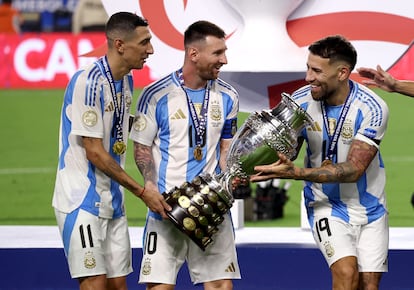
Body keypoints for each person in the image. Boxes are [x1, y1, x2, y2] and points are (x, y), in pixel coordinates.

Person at [250, 35, 389, 290]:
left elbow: (355, 170)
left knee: (369, 285)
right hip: (326, 204)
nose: (308, 77)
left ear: (342, 73)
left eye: (316, 71)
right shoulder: (299, 101)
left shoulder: (372, 108)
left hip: (371, 207)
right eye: (308, 67)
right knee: (346, 274)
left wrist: (298, 172)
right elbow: (286, 151)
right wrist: (269, 154)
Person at [52, 12, 171, 290]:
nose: (150, 50)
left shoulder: (126, 81)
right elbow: (94, 152)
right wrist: (142, 192)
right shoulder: (89, 81)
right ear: (120, 45)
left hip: (113, 202)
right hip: (81, 200)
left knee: (119, 285)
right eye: (144, 43)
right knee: (95, 284)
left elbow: (118, 129)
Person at [130, 20, 241, 290]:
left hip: (212, 208)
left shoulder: (228, 96)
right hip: (167, 208)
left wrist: (231, 176)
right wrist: (150, 186)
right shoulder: (156, 95)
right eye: (217, 53)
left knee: (220, 285)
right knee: (160, 286)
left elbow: (226, 147)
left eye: (224, 52)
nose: (224, 60)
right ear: (194, 54)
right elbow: (142, 147)